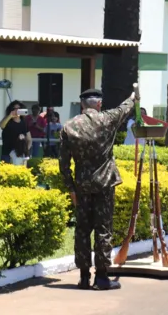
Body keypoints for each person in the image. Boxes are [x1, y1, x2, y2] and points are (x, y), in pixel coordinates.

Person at [59, 88, 137, 290]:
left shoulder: (69, 126)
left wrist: (71, 188)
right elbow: (125, 108)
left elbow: (64, 164)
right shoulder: (107, 119)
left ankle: (84, 277)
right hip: (104, 184)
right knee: (103, 230)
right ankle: (102, 278)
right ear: (99, 104)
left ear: (82, 105)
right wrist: (134, 95)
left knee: (82, 231)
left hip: (82, 186)